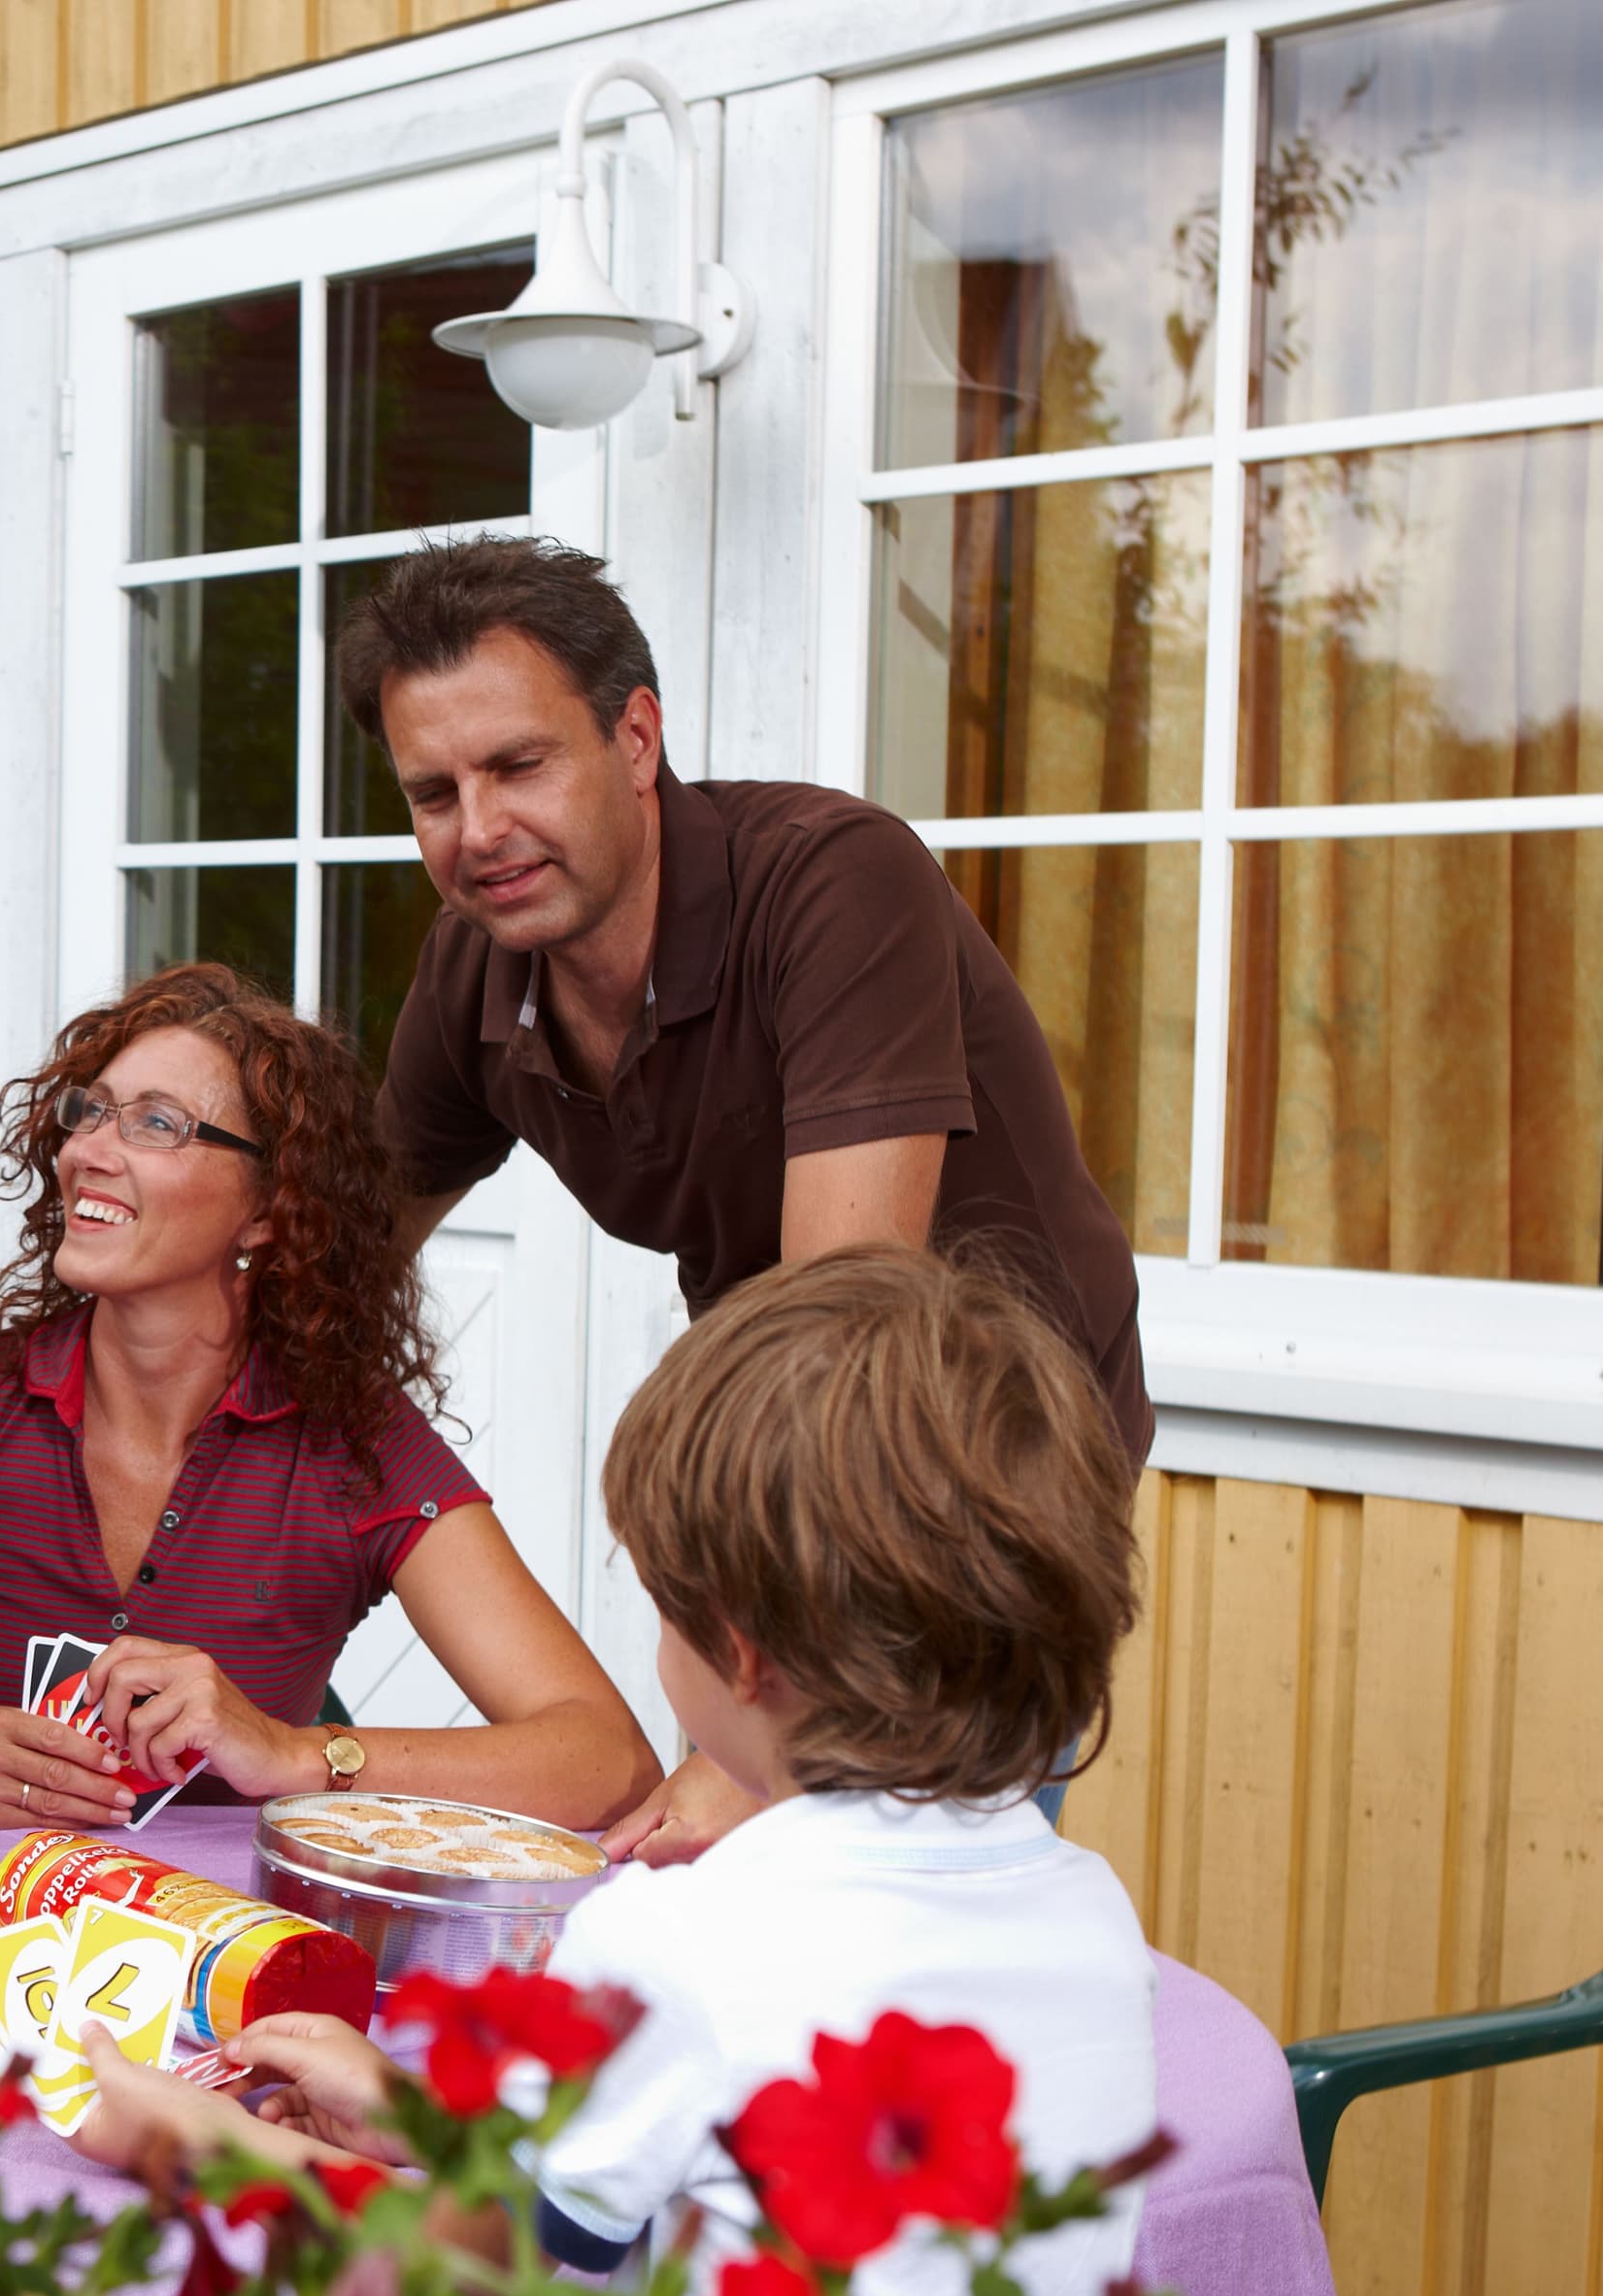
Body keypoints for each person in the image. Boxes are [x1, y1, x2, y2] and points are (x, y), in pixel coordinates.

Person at [73, 1246, 1157, 2296]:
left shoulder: (676, 1937)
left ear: (736, 1653)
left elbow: (485, 2270)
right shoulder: (1095, 1915)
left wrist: (204, 2139)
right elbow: (698, 2157)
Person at [336, 537, 1150, 1859]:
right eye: (433, 793)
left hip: (984, 1465)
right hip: (786, 1469)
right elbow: (342, 1260)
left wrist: (750, 1756)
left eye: (519, 766)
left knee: (893, 1932)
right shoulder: (478, 969)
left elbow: (852, 1337)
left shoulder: (834, 882)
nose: (478, 831)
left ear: (637, 740)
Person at [0, 964, 661, 1833]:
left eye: (157, 1125)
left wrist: (293, 1753)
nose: (88, 1151)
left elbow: (608, 1761)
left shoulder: (355, 1446)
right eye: (90, 1111)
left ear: (270, 1212)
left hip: (231, 1950)